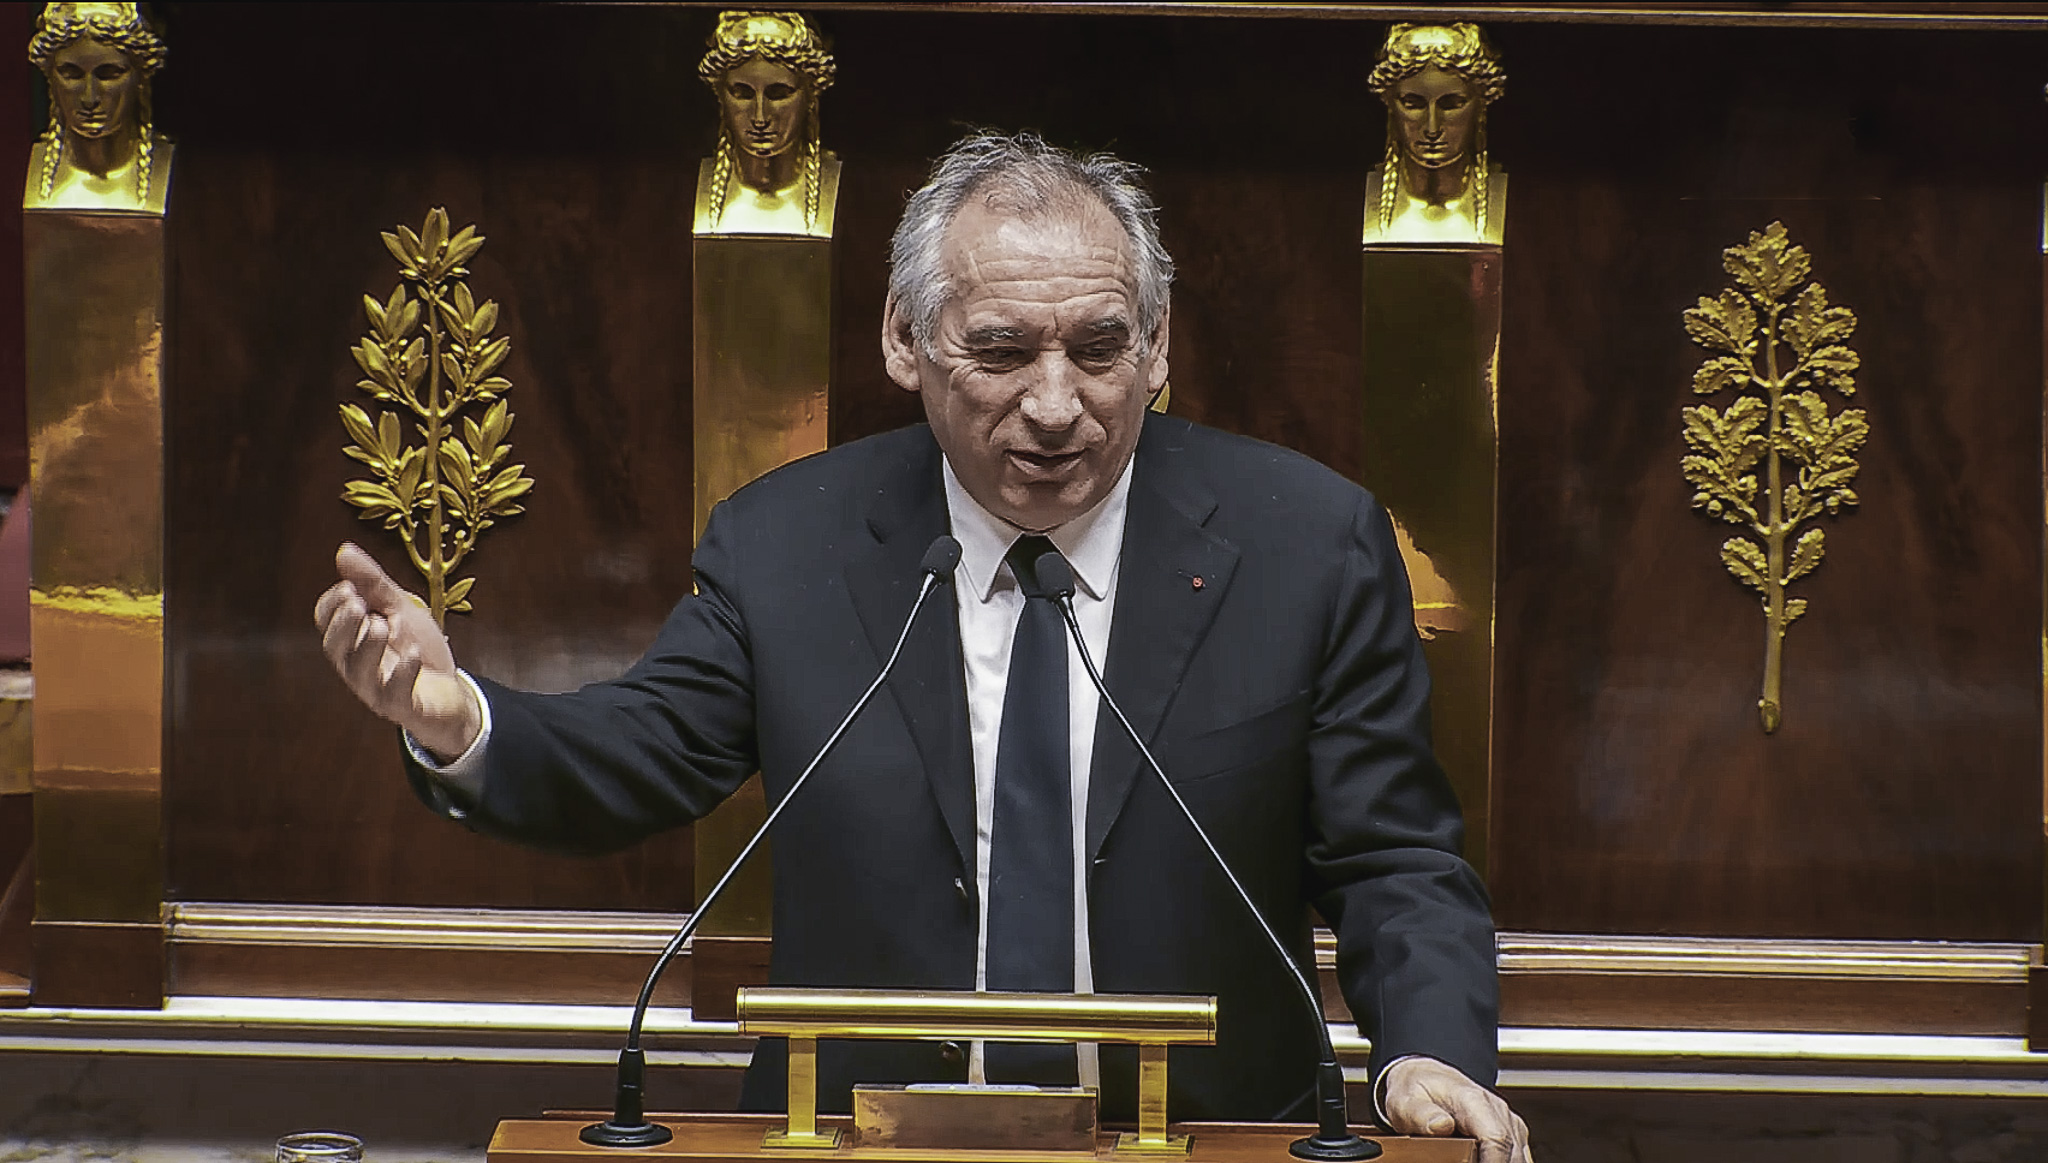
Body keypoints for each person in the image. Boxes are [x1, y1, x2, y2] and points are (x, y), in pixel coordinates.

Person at [316, 132, 1531, 1163]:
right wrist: (457, 719)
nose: (1056, 403)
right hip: (853, 1139)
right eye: (1000, 350)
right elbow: (640, 750)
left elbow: (1393, 859)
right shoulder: (787, 544)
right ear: (907, 341)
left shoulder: (1306, 545)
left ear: (1159, 348)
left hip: (1204, 1139)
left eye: (1099, 348)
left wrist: (1424, 1051)